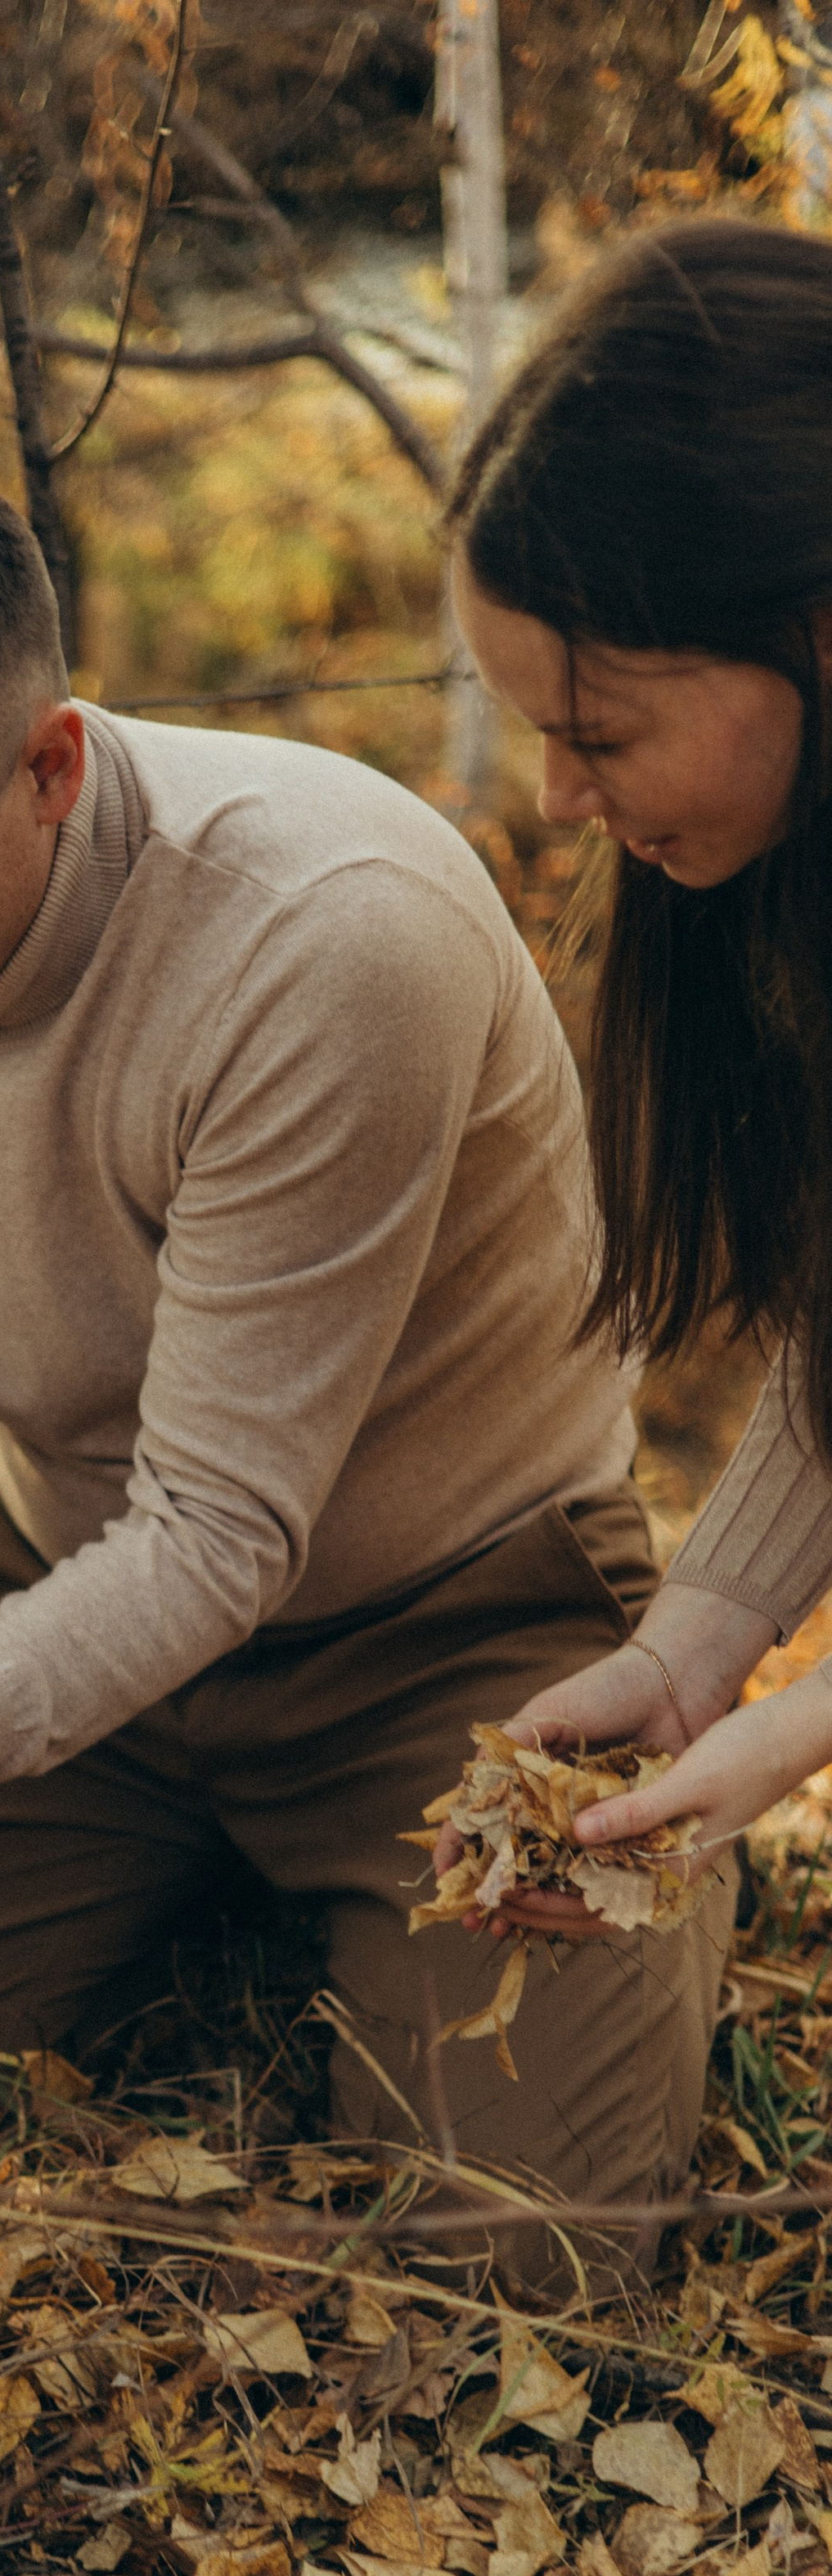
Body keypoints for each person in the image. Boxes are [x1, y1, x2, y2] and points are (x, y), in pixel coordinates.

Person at [0, 428, 731, 2285]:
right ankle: (219, 1890)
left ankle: (585, 1880)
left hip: (461, 1632)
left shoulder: (320, 933)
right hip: (72, 1612)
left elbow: (223, 1531)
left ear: (49, 767)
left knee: (528, 2264)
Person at [443, 219, 832, 1938]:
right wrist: (696, 1645)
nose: (553, 798)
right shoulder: (771, 885)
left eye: (598, 735)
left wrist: (793, 1738)